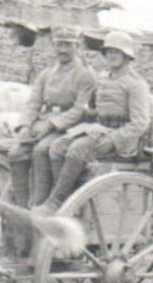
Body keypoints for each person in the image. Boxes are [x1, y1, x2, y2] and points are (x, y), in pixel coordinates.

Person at [37, 30, 153, 211]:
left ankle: (57, 202)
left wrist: (113, 139)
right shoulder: (103, 78)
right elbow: (95, 109)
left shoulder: (136, 84)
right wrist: (87, 113)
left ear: (127, 56)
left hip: (121, 140)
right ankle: (66, 197)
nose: (112, 56)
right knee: (57, 147)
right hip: (99, 129)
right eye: (109, 52)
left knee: (78, 148)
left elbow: (140, 123)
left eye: (117, 53)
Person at [7, 26, 98, 207]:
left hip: (70, 127)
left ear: (77, 47)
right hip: (43, 123)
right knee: (16, 154)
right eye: (59, 45)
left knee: (42, 149)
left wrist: (50, 125)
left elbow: (80, 109)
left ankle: (43, 203)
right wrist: (25, 126)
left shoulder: (86, 74)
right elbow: (33, 103)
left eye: (68, 45)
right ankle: (21, 205)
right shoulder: (47, 73)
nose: (63, 50)